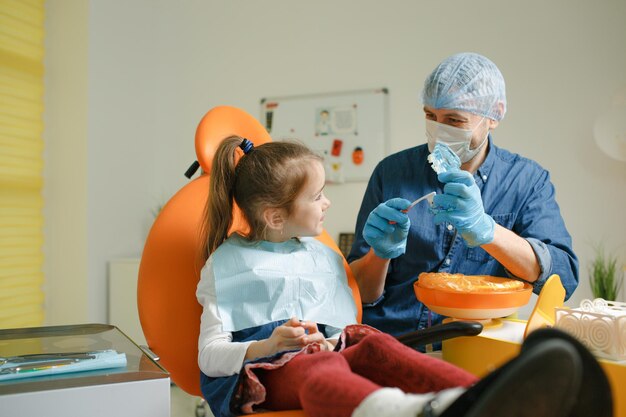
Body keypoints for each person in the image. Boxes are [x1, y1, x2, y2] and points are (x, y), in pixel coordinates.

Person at [195, 136, 599, 417]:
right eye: (317, 196)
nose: (327, 202)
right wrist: (264, 345)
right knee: (321, 370)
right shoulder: (227, 266)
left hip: (322, 353)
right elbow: (210, 357)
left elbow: (349, 312)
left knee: (376, 348)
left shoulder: (321, 255)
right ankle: (417, 412)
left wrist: (333, 336)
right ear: (275, 216)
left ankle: (485, 397)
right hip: (263, 373)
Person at [348, 52, 579, 337]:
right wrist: (379, 256)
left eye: (454, 120)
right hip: (391, 341)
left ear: (493, 116)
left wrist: (488, 231)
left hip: (476, 345)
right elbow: (359, 291)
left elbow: (564, 279)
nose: (439, 130)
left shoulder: (527, 181)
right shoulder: (392, 172)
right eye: (430, 116)